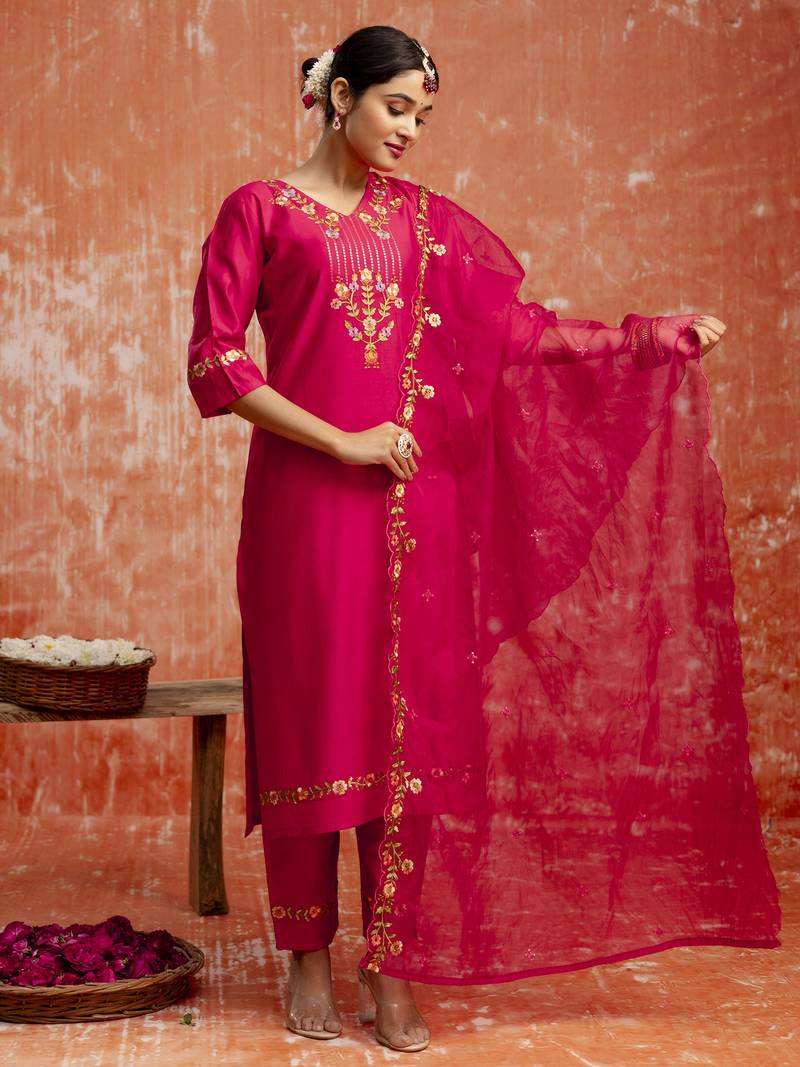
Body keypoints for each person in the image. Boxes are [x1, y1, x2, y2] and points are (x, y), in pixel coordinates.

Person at [186, 24, 781, 1054]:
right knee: (312, 722)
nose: (409, 131)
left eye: (422, 115)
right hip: (303, 509)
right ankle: (305, 955)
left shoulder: (424, 225)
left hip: (415, 513)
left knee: (406, 734)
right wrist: (345, 439)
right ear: (340, 97)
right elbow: (215, 361)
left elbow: (515, 333)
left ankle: (394, 961)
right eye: (395, 107)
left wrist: (640, 340)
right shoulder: (260, 211)